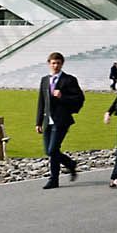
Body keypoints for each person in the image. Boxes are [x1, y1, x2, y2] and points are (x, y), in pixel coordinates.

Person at [35, 52, 85, 188]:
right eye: (53, 63)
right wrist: (38, 122)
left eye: (58, 63)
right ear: (49, 64)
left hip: (61, 120)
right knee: (49, 151)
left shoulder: (69, 80)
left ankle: (53, 179)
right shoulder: (45, 80)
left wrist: (62, 97)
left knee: (53, 150)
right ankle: (70, 164)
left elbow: (79, 98)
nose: (55, 65)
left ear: (62, 64)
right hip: (47, 120)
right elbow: (41, 101)